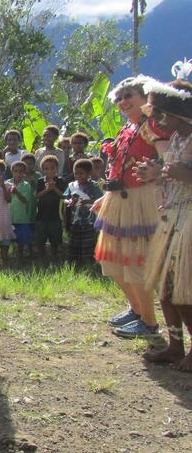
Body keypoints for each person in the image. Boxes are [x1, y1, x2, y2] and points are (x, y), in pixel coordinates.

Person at [94, 75, 171, 340]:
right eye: (120, 98)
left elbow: (168, 159)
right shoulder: (127, 129)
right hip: (119, 199)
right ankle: (137, 310)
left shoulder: (153, 125)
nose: (123, 101)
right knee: (111, 260)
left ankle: (149, 322)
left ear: (144, 97)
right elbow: (118, 167)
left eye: (129, 96)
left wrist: (157, 171)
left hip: (142, 200)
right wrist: (106, 198)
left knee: (135, 260)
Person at [135, 72, 192, 371]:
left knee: (183, 291)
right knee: (166, 288)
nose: (155, 117)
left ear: (177, 111)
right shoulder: (179, 139)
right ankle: (175, 346)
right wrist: (157, 174)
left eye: (158, 112)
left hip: (189, 220)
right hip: (172, 216)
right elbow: (173, 173)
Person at [63, 158, 103, 262]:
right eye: (76, 174)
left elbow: (100, 200)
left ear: (89, 173)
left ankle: (87, 261)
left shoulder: (94, 186)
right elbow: (65, 199)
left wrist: (88, 201)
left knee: (88, 241)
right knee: (74, 240)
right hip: (75, 219)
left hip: (89, 220)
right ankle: (74, 261)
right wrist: (70, 202)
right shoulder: (72, 186)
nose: (79, 176)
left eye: (82, 173)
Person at [34, 155, 67, 259]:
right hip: (41, 215)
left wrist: (54, 188)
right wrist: (47, 189)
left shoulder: (60, 180)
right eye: (46, 169)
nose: (50, 171)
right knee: (41, 238)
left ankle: (54, 256)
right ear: (43, 170)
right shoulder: (40, 181)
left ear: (57, 168)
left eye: (52, 168)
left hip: (56, 215)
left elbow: (64, 195)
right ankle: (41, 257)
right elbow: (37, 195)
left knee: (55, 238)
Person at [8, 160, 34, 262]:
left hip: (21, 217)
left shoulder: (26, 185)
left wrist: (16, 192)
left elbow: (25, 200)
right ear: (12, 171)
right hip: (8, 217)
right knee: (8, 239)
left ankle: (20, 258)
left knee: (21, 240)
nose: (18, 174)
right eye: (16, 171)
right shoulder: (7, 183)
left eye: (21, 172)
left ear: (24, 173)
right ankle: (9, 258)